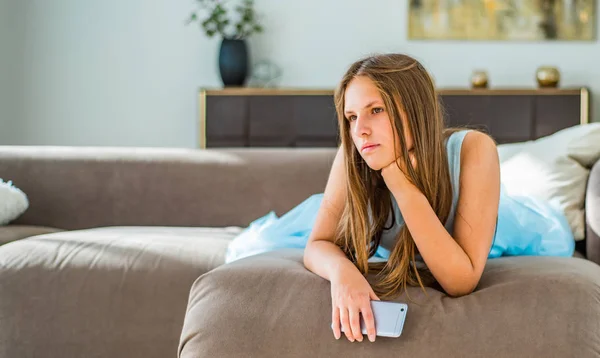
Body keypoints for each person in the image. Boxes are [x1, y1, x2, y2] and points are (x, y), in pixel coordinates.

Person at [302, 53, 502, 343]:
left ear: (415, 109)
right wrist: (342, 272)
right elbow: (316, 244)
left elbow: (461, 281)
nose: (359, 131)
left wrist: (400, 182)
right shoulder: (353, 154)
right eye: (352, 117)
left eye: (376, 110)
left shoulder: (474, 149)